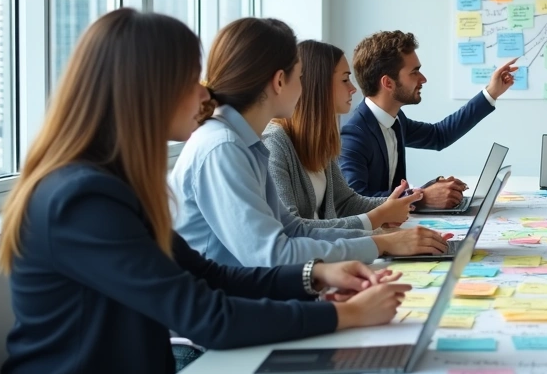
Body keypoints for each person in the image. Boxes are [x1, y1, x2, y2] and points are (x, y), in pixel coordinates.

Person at [0, 9, 411, 374]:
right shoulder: (83, 200)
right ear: (147, 90)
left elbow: (209, 275)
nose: (204, 94)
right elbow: (207, 316)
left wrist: (317, 275)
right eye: (190, 79)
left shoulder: (113, 185)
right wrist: (347, 314)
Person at [172, 18, 449, 267]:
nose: (305, 89)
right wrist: (381, 242)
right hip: (232, 305)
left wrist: (385, 238)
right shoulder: (224, 148)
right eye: (301, 77)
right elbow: (273, 254)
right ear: (280, 81)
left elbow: (293, 230)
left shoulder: (246, 143)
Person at [340, 30, 517, 205]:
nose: (423, 79)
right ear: (388, 83)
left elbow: (439, 136)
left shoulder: (396, 120)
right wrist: (422, 197)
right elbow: (356, 202)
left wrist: (492, 92)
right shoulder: (354, 135)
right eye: (414, 72)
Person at [264, 40, 421, 230]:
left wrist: (399, 202)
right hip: (313, 258)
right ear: (318, 84)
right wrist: (379, 219)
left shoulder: (319, 142)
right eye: (345, 79)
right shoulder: (275, 145)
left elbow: (345, 203)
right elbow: (291, 229)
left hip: (327, 253)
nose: (353, 89)